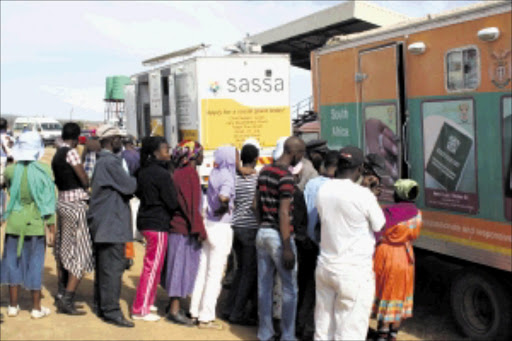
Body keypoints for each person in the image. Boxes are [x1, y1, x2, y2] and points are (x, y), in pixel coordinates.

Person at [314, 146, 386, 341]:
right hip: (354, 273)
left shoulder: (324, 188)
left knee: (323, 327)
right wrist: (371, 194)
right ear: (360, 168)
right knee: (350, 332)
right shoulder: (364, 196)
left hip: (326, 267)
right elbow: (379, 224)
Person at [254, 136, 305, 341]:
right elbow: (284, 213)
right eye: (300, 155)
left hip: (262, 234)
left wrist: (263, 224)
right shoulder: (286, 178)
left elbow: (254, 204)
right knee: (289, 289)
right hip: (279, 236)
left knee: (264, 286)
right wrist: (286, 246)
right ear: (294, 153)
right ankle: (288, 335)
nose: (300, 159)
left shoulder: (265, 171)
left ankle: (265, 333)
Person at [0, 131, 56, 319]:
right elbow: (48, 201)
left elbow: (7, 186)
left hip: (14, 222)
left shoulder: (11, 170)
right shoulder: (44, 170)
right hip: (36, 223)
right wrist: (52, 228)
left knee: (12, 262)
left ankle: (13, 306)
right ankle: (35, 308)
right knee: (35, 264)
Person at [88, 124, 137, 328]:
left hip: (104, 223)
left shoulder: (103, 162)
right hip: (111, 224)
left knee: (104, 267)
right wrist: (133, 179)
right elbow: (130, 186)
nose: (121, 142)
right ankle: (112, 311)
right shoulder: (110, 162)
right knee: (112, 269)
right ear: (111, 140)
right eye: (118, 138)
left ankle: (102, 306)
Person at [190, 145, 238, 330]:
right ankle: (206, 316)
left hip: (209, 224)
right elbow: (225, 196)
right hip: (221, 226)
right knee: (215, 273)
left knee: (203, 270)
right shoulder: (228, 176)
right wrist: (224, 204)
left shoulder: (215, 172)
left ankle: (195, 310)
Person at [131, 136, 178, 322]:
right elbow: (172, 202)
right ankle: (140, 309)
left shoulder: (142, 171)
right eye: (166, 150)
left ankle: (147, 302)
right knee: (151, 268)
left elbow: (137, 191)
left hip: (145, 220)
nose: (168, 153)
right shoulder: (162, 174)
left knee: (154, 266)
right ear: (156, 152)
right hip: (157, 223)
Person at [51, 122, 93, 315]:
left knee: (64, 249)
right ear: (77, 138)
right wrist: (88, 185)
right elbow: (83, 178)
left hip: (62, 203)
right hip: (75, 205)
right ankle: (67, 299)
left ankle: (61, 293)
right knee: (80, 251)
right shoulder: (72, 152)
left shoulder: (57, 154)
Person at [372, 179, 422, 341]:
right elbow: (414, 236)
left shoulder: (387, 212)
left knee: (385, 290)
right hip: (405, 256)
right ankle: (393, 332)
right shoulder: (418, 214)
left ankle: (382, 332)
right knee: (400, 293)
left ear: (397, 194)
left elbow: (376, 232)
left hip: (385, 254)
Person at [163, 140, 206, 326]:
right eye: (201, 152)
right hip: (184, 229)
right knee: (180, 269)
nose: (203, 156)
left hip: (178, 227)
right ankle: (174, 310)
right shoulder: (189, 174)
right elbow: (190, 205)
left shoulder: (179, 173)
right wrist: (200, 229)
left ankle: (172, 306)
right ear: (194, 155)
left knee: (176, 268)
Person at [297, 150, 339, 340]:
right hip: (323, 244)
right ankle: (311, 328)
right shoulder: (335, 187)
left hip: (305, 241)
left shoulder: (312, 183)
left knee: (305, 284)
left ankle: (299, 324)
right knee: (320, 291)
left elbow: (304, 209)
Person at [222, 142, 260, 325]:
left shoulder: (234, 179)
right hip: (250, 229)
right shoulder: (256, 178)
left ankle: (229, 309)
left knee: (238, 271)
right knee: (248, 273)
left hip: (234, 227)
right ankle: (237, 313)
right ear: (256, 159)